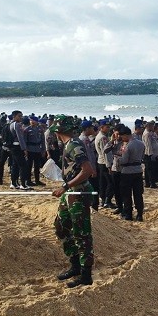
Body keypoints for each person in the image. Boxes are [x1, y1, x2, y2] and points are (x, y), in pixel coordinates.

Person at [50, 115, 96, 288]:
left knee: (81, 233)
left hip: (79, 192)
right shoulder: (68, 144)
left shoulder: (74, 145)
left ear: (59, 130)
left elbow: (87, 170)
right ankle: (75, 265)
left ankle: (85, 274)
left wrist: (65, 186)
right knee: (61, 226)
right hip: (70, 191)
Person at [114, 125, 145, 222]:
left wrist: (118, 158)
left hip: (127, 172)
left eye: (122, 137)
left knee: (126, 194)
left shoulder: (128, 146)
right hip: (138, 170)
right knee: (138, 194)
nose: (122, 139)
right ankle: (140, 214)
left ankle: (128, 214)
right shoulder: (141, 143)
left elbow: (124, 160)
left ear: (126, 135)